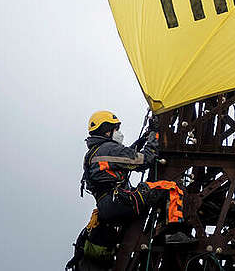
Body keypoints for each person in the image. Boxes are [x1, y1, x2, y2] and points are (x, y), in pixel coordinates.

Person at [70, 111, 190, 268]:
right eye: (115, 129)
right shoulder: (109, 149)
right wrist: (154, 135)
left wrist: (142, 140)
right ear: (107, 130)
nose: (118, 133)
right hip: (120, 201)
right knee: (172, 187)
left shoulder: (94, 153)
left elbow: (125, 158)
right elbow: (144, 159)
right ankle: (175, 232)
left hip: (107, 206)